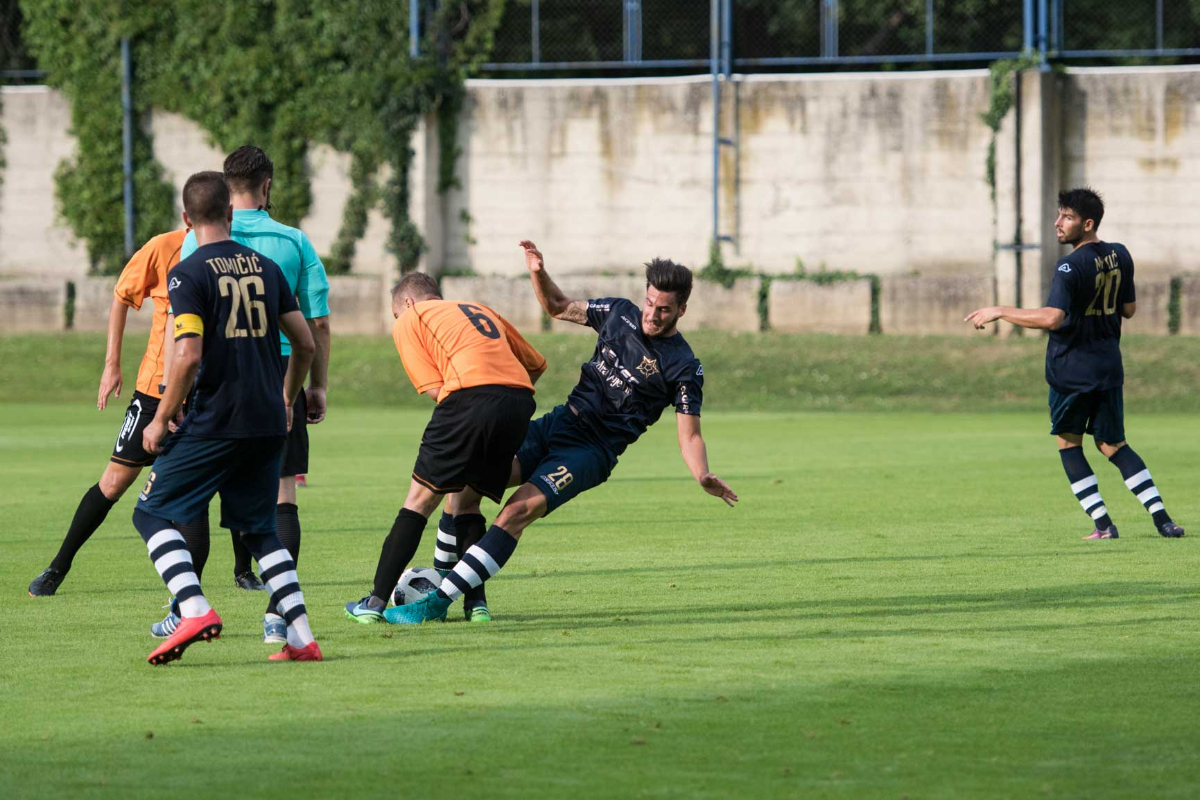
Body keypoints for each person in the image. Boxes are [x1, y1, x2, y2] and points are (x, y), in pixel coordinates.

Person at [387, 242, 738, 624]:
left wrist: (701, 474)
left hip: (590, 452)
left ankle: (436, 602)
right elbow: (558, 306)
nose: (651, 314)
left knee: (517, 511)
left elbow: (690, 435)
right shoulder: (619, 313)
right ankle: (461, 590)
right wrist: (538, 272)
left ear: (682, 310)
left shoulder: (683, 366)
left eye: (664, 309)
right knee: (465, 484)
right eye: (649, 303)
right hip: (557, 424)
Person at [136, 170, 321, 664]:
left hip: (218, 417)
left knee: (150, 511)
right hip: (268, 419)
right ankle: (301, 638)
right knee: (260, 528)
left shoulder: (187, 273)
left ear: (186, 218)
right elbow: (305, 343)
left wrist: (161, 417)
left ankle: (194, 609)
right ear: (231, 213)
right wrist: (287, 398)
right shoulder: (266, 267)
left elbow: (188, 354)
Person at [27, 229, 262, 597]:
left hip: (212, 390)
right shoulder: (162, 247)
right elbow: (122, 295)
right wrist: (112, 363)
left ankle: (233, 575)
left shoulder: (238, 250)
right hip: (156, 389)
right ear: (189, 216)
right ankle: (58, 567)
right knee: (113, 482)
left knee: (221, 484)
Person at [175, 145, 332, 643]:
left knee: (192, 492)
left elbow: (184, 324)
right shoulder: (294, 241)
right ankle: (276, 618)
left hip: (217, 371)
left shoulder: (195, 240)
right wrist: (315, 386)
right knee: (282, 496)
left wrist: (174, 393)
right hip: (280, 371)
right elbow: (317, 324)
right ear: (266, 186)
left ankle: (189, 608)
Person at [965, 187, 1184, 540]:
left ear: (1088, 224)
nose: (1058, 223)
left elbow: (1053, 318)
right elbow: (1129, 309)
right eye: (1059, 215)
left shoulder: (1069, 265)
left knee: (1069, 445)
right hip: (1108, 368)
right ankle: (1163, 521)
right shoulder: (1120, 254)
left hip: (1071, 371)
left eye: (1067, 217)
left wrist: (1000, 310)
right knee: (1113, 445)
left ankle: (1103, 526)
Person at [344, 272, 546, 624]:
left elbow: (437, 390)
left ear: (407, 303)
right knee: (467, 504)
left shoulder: (412, 318)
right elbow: (536, 365)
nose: (398, 320)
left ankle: (374, 603)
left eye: (396, 313)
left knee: (419, 501)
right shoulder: (479, 308)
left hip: (470, 397)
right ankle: (476, 606)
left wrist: (474, 406)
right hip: (518, 402)